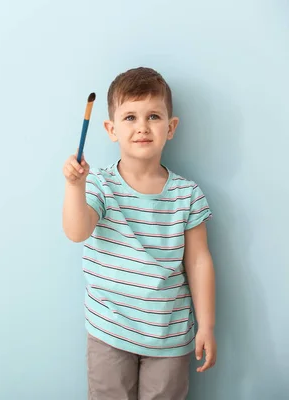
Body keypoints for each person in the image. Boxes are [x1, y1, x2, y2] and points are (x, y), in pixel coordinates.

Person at [62, 67, 217, 400]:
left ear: (170, 127)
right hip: (109, 330)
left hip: (169, 335)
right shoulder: (100, 185)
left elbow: (199, 261)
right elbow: (77, 232)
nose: (142, 127)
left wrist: (206, 325)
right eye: (130, 117)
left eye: (154, 116)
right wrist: (75, 186)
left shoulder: (187, 195)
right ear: (111, 129)